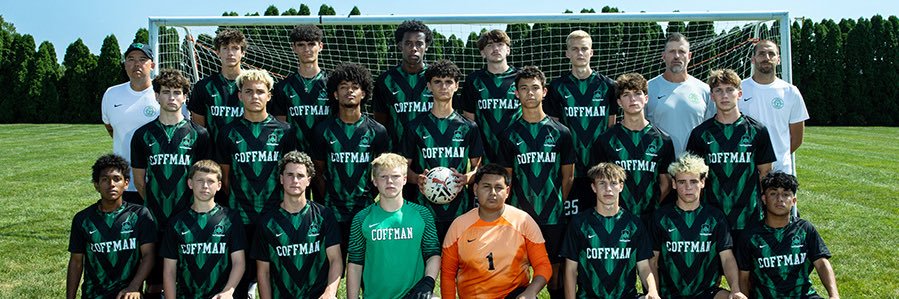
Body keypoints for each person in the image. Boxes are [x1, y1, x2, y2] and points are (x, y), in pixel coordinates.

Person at [214, 69, 295, 298]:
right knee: (241, 277)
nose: (254, 96)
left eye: (260, 92)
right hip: (240, 217)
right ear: (239, 95)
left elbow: (290, 175)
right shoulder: (228, 132)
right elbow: (225, 177)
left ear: (269, 95)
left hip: (276, 216)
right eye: (248, 91)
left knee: (277, 276)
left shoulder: (284, 132)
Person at [131, 68, 211, 296]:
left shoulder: (199, 134)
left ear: (185, 97)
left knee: (189, 278)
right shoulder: (142, 135)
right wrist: (155, 207)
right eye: (166, 92)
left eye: (177, 92)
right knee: (155, 282)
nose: (172, 97)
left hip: (189, 218)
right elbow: (139, 181)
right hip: (154, 219)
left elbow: (204, 179)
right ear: (156, 96)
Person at [499, 66, 575, 298]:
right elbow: (506, 178)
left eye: (535, 88)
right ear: (516, 93)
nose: (530, 93)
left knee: (554, 272)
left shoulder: (561, 132)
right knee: (517, 272)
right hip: (520, 217)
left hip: (553, 215)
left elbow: (568, 176)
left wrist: (555, 202)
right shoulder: (509, 134)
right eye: (524, 88)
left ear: (544, 92)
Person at [311, 63, 390, 260]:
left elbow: (381, 172)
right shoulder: (322, 131)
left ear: (363, 93)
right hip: (331, 212)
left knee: (365, 266)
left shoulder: (377, 132)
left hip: (365, 211)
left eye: (355, 86)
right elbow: (318, 173)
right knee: (332, 266)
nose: (349, 91)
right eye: (344, 86)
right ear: (335, 94)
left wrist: (369, 198)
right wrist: (328, 200)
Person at [441, 163, 552, 298]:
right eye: (486, 187)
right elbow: (447, 274)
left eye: (498, 187)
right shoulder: (459, 226)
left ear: (507, 191)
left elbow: (543, 265)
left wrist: (531, 291)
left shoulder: (523, 221)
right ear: (475, 189)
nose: (492, 193)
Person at [402, 59, 483, 242]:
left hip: (460, 209)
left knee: (458, 265)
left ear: (456, 86)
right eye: (437, 82)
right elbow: (403, 168)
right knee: (426, 263)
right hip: (423, 208)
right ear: (429, 86)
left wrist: (467, 178)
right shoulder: (415, 126)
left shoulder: (469, 127)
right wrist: (417, 179)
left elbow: (478, 167)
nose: (443, 86)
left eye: (448, 82)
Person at [686, 69, 775, 234]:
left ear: (739, 93)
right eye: (718, 91)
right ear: (712, 96)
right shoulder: (700, 134)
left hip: (749, 216)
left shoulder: (757, 130)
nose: (724, 95)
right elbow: (692, 177)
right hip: (711, 218)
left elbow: (765, 173)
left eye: (729, 90)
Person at [650, 154, 746, 299]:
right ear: (674, 184)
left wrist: (735, 289)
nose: (688, 187)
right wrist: (654, 293)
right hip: (669, 294)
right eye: (682, 182)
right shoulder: (661, 217)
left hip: (708, 293)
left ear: (702, 182)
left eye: (693, 181)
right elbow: (652, 261)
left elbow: (727, 258)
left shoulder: (715, 217)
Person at [545, 30, 618, 218]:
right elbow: (554, 130)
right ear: (567, 53)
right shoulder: (557, 87)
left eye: (584, 49)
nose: (580, 53)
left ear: (591, 52)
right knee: (571, 224)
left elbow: (611, 127)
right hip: (569, 170)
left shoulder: (608, 86)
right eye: (575, 49)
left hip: (600, 170)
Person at [346, 153, 441, 299]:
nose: (390, 181)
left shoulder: (422, 214)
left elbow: (433, 254)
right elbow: (355, 264)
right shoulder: (362, 218)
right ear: (375, 181)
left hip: (413, 296)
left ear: (404, 179)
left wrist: (427, 283)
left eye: (395, 176)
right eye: (383, 177)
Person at [561, 163, 659, 299]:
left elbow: (643, 267)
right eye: (602, 183)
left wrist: (652, 291)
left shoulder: (634, 224)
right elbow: (571, 269)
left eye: (613, 183)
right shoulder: (579, 223)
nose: (608, 189)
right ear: (593, 187)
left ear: (621, 186)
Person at [251, 151, 342, 298]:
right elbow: (263, 272)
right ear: (281, 179)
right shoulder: (267, 222)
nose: (295, 180)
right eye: (290, 175)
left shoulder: (324, 216)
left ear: (309, 180)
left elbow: (335, 259)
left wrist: (329, 293)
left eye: (300, 176)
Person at [66, 154, 156, 299]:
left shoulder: (140, 215)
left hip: (128, 294)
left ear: (126, 183)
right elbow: (76, 263)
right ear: (96, 185)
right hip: (93, 295)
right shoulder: (83, 219)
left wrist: (133, 287)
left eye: (116, 179)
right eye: (105, 180)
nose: (111, 184)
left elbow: (149, 255)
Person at [737, 172, 840, 298]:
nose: (780, 199)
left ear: (794, 201)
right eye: (773, 193)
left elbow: (821, 263)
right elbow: (743, 277)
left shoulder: (805, 229)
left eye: (786, 194)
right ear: (764, 199)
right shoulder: (750, 236)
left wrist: (834, 295)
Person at [594, 73, 674, 222]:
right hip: (616, 218)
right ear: (619, 102)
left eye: (637, 93)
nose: (632, 99)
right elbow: (599, 182)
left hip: (650, 218)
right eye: (626, 95)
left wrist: (651, 205)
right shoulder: (606, 140)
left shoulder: (663, 140)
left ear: (646, 98)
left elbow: (666, 183)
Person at [161, 160, 246, 299]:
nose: (205, 186)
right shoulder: (177, 222)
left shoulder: (231, 219)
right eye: (199, 180)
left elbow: (239, 262)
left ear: (219, 185)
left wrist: (228, 292)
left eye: (210, 181)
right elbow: (169, 270)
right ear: (190, 183)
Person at [101, 43, 160, 205]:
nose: (136, 64)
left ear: (152, 65)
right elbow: (111, 128)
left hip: (158, 180)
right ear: (125, 64)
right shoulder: (111, 94)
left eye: (142, 59)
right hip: (123, 182)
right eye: (131, 59)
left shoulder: (165, 94)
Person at [740, 40, 809, 176]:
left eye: (771, 54)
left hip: (780, 169)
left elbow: (797, 137)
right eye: (761, 54)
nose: (766, 58)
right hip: (746, 169)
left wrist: (776, 156)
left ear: (778, 59)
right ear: (753, 59)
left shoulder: (790, 92)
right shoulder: (739, 90)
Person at [646, 33, 715, 156]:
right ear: (664, 56)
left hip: (693, 169)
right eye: (672, 51)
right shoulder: (647, 89)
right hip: (660, 168)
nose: (677, 56)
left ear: (689, 56)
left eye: (681, 51)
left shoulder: (704, 90)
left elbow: (710, 132)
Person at [461, 29, 521, 164]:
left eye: (500, 44)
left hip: (518, 150)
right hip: (485, 152)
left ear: (508, 50)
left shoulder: (521, 78)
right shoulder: (473, 80)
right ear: (482, 53)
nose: (495, 48)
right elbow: (469, 120)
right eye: (489, 45)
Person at [269, 24, 330, 153]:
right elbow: (280, 125)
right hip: (295, 156)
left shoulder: (332, 84)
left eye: (311, 44)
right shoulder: (282, 87)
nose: (307, 49)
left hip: (328, 154)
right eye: (301, 45)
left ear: (320, 46)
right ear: (294, 48)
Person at [373, 20, 434, 147]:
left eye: (419, 44)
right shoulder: (385, 80)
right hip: (395, 154)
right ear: (400, 45)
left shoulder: (437, 79)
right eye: (408, 43)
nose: (414, 49)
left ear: (426, 46)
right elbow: (380, 121)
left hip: (430, 153)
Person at [188, 29, 247, 155]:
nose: (230, 53)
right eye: (225, 48)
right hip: (213, 158)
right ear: (217, 52)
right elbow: (199, 128)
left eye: (235, 48)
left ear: (243, 53)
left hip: (247, 156)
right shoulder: (203, 87)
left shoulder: (255, 86)